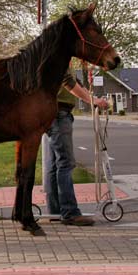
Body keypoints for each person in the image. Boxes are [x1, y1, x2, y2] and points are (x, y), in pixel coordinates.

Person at [44, 67, 109, 226]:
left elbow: (77, 82)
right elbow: (68, 82)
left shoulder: (57, 53)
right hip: (59, 113)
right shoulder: (59, 52)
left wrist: (91, 97)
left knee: (52, 165)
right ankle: (70, 212)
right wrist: (93, 101)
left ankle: (55, 211)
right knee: (65, 163)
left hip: (51, 112)